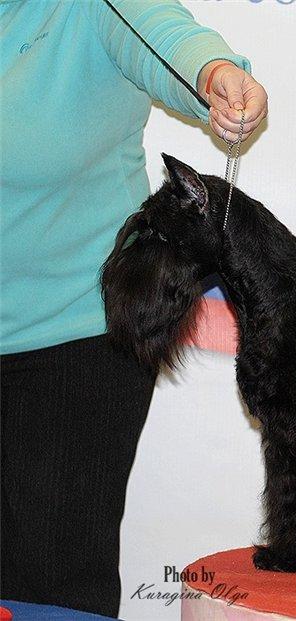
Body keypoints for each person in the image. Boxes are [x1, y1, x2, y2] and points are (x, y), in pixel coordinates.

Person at [0, 0, 268, 616]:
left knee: (53, 588)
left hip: (74, 344)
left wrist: (216, 74)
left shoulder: (94, 8)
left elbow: (167, 38)